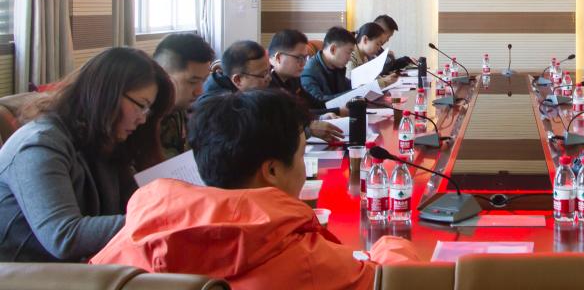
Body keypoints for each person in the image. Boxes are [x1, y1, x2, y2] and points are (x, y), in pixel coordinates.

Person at [90, 89, 419, 289]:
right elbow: (395, 281)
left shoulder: (132, 237)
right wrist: (392, 244)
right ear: (272, 170)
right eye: (301, 155)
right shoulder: (299, 258)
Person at [0, 47, 172, 262]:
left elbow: (132, 203)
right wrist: (160, 219)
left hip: (82, 266)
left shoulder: (102, 140)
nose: (143, 119)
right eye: (141, 106)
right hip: (27, 273)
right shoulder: (39, 145)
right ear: (106, 94)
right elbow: (65, 236)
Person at [269, 29, 346, 142]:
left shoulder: (293, 79)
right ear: (278, 58)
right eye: (299, 58)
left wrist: (322, 117)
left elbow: (308, 106)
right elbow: (284, 122)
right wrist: (337, 111)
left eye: (305, 58)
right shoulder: (267, 85)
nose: (304, 63)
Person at [153, 33, 215, 158]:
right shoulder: (139, 121)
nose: (200, 91)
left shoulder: (183, 108)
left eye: (204, 80)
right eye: (192, 82)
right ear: (163, 75)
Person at [198, 40, 270, 102]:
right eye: (263, 74)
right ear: (237, 80)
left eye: (268, 71)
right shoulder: (219, 106)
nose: (269, 78)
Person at [302, 26, 357, 105]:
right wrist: (353, 94)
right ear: (333, 49)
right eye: (348, 52)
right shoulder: (309, 71)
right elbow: (318, 102)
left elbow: (349, 86)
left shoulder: (336, 66)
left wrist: (362, 88)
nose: (349, 58)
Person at [347, 22, 399, 88]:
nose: (379, 48)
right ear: (365, 40)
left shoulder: (365, 57)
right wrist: (384, 81)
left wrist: (387, 79)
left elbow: (372, 78)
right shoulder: (350, 57)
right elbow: (354, 87)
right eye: (378, 44)